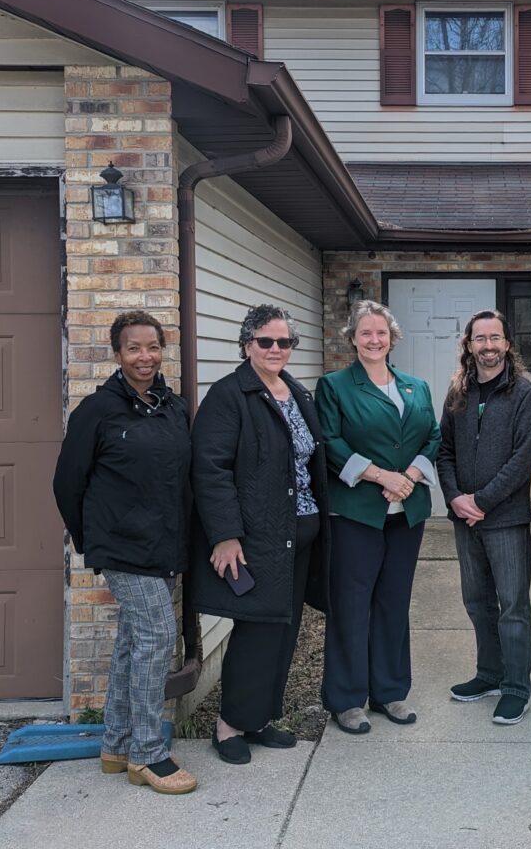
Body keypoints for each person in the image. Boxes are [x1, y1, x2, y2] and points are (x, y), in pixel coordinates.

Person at [52, 311, 196, 795]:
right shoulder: (97, 411)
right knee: (157, 636)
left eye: (152, 347)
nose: (145, 357)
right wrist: (94, 540)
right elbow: (67, 484)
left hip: (166, 545)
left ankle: (115, 744)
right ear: (117, 354)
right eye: (134, 348)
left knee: (134, 642)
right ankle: (148, 754)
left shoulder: (173, 407)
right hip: (121, 548)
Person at [190, 304, 330, 765]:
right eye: (265, 341)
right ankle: (229, 725)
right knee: (256, 631)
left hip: (300, 534)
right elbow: (210, 470)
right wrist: (225, 534)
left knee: (284, 629)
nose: (275, 349)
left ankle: (262, 718)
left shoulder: (294, 391)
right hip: (256, 537)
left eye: (284, 342)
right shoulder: (230, 395)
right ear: (247, 344)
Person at [315, 300, 441, 734]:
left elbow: (434, 435)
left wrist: (406, 477)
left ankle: (389, 691)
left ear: (392, 338)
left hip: (406, 513)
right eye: (365, 333)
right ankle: (347, 699)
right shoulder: (334, 386)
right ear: (352, 338)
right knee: (351, 605)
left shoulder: (415, 386)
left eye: (381, 333)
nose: (374, 340)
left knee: (393, 603)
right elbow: (329, 440)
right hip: (356, 512)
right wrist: (380, 475)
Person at [438, 310, 531, 725]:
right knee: (477, 602)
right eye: (479, 339)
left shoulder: (523, 392)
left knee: (512, 606)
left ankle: (517, 687)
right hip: (466, 518)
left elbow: (524, 456)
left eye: (495, 338)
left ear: (507, 344)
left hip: (505, 519)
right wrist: (455, 498)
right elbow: (443, 449)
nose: (488, 346)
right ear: (469, 345)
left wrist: (482, 501)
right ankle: (489, 674)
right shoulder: (458, 390)